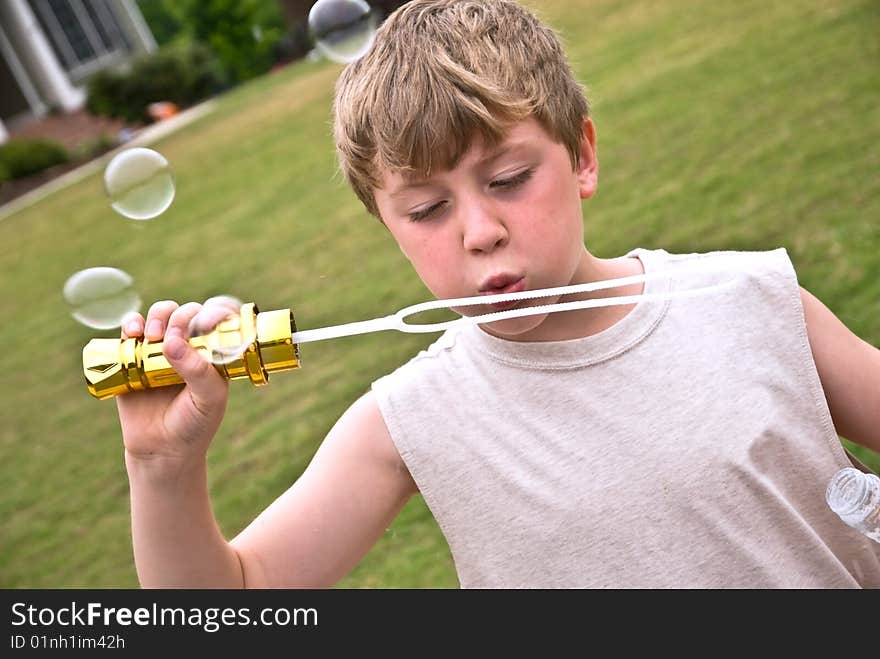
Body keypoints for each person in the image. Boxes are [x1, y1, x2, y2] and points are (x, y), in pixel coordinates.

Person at [116, 0, 880, 588]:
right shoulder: (408, 420)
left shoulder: (749, 297)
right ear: (387, 224)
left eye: (508, 179)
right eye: (426, 209)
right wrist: (162, 468)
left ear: (581, 155)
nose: (479, 230)